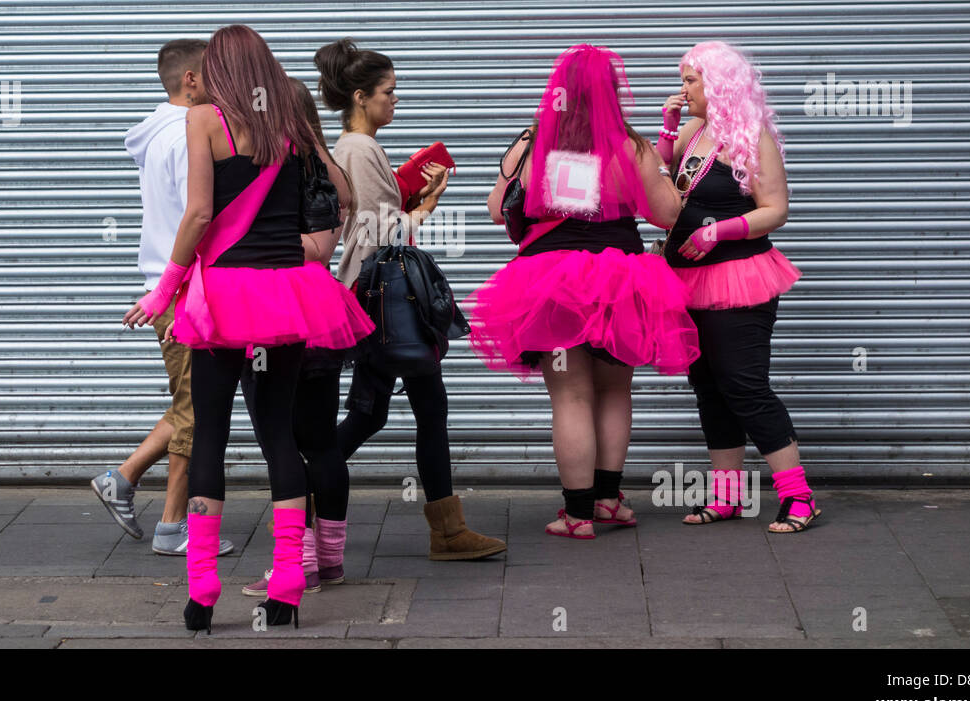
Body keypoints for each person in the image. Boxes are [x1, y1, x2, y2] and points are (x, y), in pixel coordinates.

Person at [123, 25, 374, 632]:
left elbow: (201, 213)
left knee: (209, 436)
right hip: (287, 294)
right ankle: (288, 581)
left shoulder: (205, 120)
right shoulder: (289, 123)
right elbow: (343, 195)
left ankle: (202, 592)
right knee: (279, 440)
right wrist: (303, 241)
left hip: (224, 299)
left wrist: (164, 287)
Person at [468, 44, 699, 539]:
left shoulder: (532, 144)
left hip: (549, 281)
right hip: (621, 278)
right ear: (612, 93)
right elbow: (669, 215)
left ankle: (577, 516)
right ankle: (609, 501)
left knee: (570, 396)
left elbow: (495, 209)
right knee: (615, 389)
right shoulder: (630, 146)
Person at [315, 38, 506, 561]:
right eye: (389, 93)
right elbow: (383, 233)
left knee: (378, 411)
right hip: (385, 300)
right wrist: (431, 204)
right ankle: (442, 530)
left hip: (374, 297)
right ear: (360, 97)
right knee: (418, 408)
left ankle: (312, 487)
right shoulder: (359, 148)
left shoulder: (354, 148)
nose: (395, 101)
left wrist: (414, 197)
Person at [657, 40, 819, 533]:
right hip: (687, 281)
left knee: (745, 387)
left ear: (718, 84)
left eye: (690, 80)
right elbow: (669, 185)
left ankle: (799, 496)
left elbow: (776, 209)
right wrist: (666, 131)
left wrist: (718, 231)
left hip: (739, 279)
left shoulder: (752, 135)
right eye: (684, 79)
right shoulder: (694, 130)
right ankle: (728, 496)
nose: (682, 89)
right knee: (708, 387)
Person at [95, 38, 231, 558]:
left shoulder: (158, 134)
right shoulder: (183, 137)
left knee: (192, 402)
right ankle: (174, 527)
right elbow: (197, 219)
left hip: (171, 288)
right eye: (213, 75)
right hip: (183, 291)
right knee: (197, 410)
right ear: (191, 80)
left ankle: (122, 479)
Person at [241, 78, 356, 597]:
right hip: (322, 308)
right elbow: (341, 213)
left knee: (278, 440)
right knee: (321, 440)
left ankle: (299, 560)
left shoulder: (261, 163)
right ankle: (330, 559)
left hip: (268, 310)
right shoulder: (323, 163)